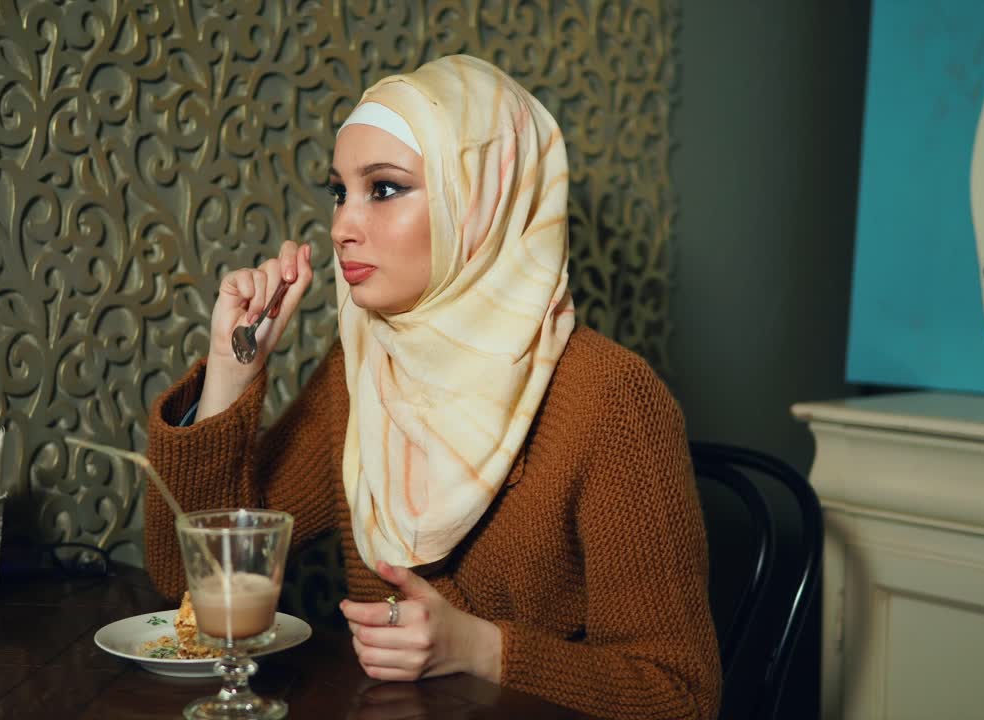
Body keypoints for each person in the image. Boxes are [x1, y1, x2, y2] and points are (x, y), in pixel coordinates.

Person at [144, 54, 720, 720]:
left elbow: (682, 697)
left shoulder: (612, 397)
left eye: (383, 189)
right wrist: (229, 369)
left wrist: (482, 651)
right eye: (340, 191)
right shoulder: (358, 369)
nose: (340, 227)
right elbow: (190, 584)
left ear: (478, 201)